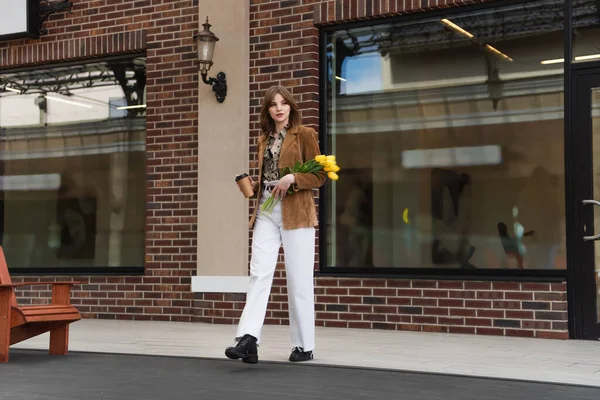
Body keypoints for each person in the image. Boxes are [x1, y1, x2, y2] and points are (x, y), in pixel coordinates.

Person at [225, 85, 326, 364]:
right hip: (266, 210)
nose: (279, 108)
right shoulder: (263, 140)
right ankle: (248, 339)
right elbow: (269, 176)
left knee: (299, 279)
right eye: (273, 104)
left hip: (296, 213)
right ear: (267, 110)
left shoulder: (305, 135)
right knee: (259, 274)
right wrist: (252, 186)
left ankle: (303, 346)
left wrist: (293, 178)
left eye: (283, 103)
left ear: (291, 106)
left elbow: (319, 176)